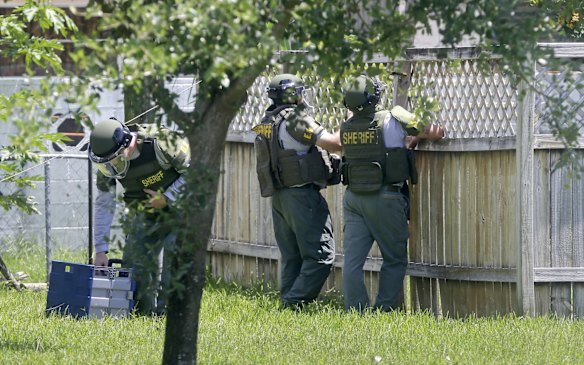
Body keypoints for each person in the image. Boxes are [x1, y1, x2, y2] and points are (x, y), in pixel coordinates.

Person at [339, 74, 444, 312]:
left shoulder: (346, 125)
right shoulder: (394, 116)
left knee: (352, 263)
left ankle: (355, 312)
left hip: (353, 198)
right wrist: (415, 138)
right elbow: (435, 131)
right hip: (385, 197)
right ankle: (385, 311)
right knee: (395, 259)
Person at [251, 73, 342, 309]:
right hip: (302, 197)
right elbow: (336, 144)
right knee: (322, 257)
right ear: (294, 95)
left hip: (280, 197)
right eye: (301, 91)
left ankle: (287, 306)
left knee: (292, 257)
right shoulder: (295, 121)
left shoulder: (267, 121)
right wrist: (351, 122)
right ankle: (294, 302)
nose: (303, 96)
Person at [88, 118, 190, 315]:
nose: (110, 168)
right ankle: (141, 316)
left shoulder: (161, 142)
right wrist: (100, 250)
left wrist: (168, 198)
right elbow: (104, 203)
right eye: (106, 164)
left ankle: (167, 320)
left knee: (173, 268)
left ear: (128, 144)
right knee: (135, 268)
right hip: (146, 213)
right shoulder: (107, 163)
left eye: (115, 160)